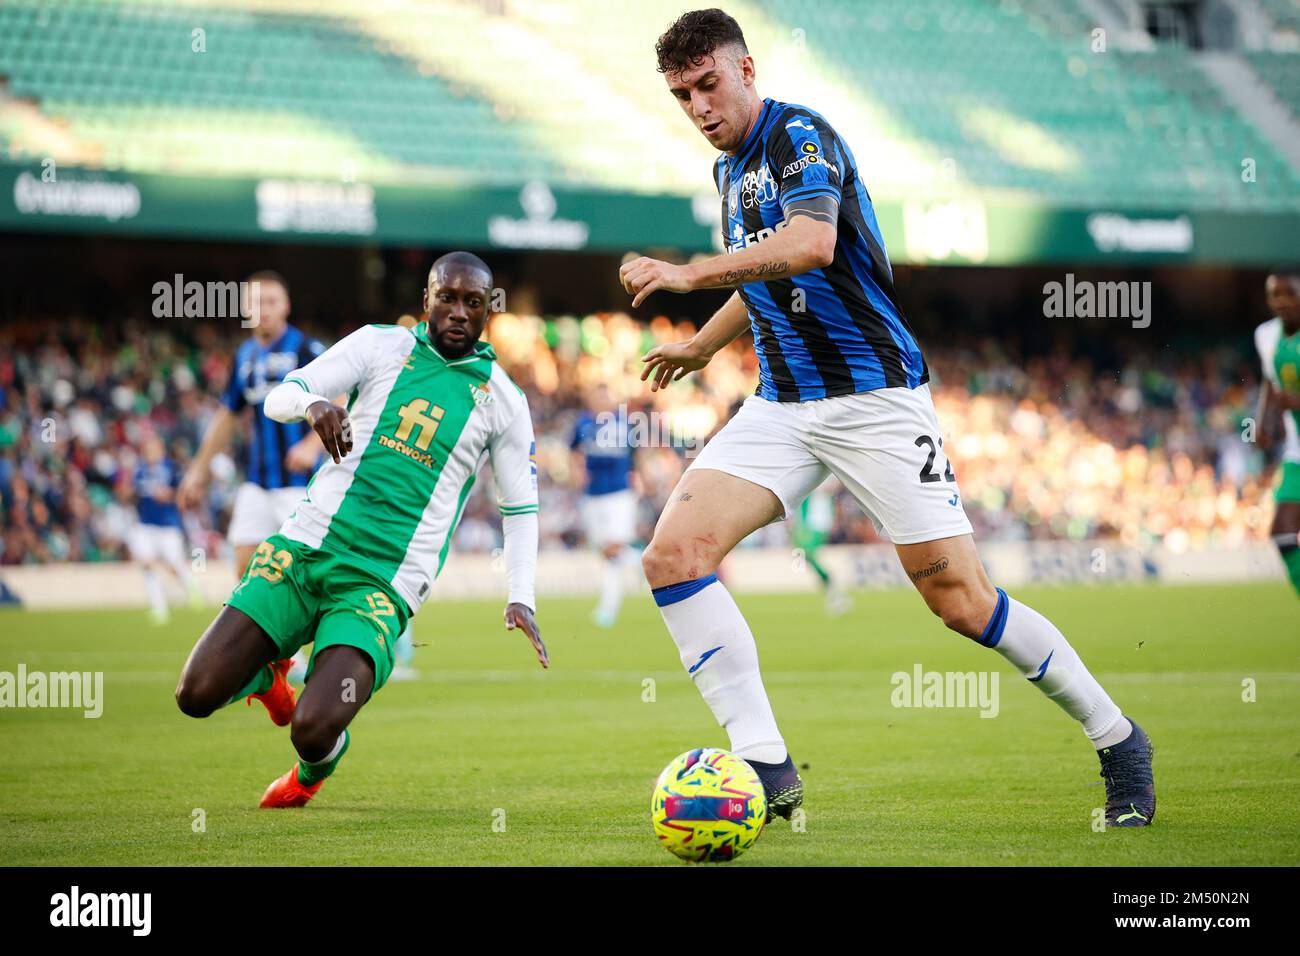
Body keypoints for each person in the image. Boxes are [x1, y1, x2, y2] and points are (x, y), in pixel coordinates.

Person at [622, 8, 1155, 826]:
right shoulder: (729, 174)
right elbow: (763, 278)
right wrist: (702, 346)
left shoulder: (802, 137)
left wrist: (689, 273)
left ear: (747, 70)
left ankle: (1119, 739)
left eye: (708, 84)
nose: (697, 107)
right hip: (784, 405)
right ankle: (767, 768)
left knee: (963, 603)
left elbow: (808, 246)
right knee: (672, 555)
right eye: (681, 94)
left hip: (875, 399)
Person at [174, 252, 546, 808]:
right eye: (447, 297)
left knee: (313, 726)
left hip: (379, 583)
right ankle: (268, 682)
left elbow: (520, 508)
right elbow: (281, 395)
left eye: (474, 302)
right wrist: (314, 404)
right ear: (426, 301)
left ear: (489, 310)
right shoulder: (379, 345)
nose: (459, 312)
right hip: (304, 550)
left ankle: (310, 772)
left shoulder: (504, 401)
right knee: (196, 693)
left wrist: (522, 596)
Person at [177, 271, 327, 577]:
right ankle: (261, 625)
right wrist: (199, 470)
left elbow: (340, 399)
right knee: (245, 565)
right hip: (257, 480)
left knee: (309, 571)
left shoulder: (306, 349)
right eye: (256, 302)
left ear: (286, 306)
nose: (264, 309)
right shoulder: (244, 356)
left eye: (271, 301)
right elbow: (228, 415)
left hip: (301, 482)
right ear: (245, 308)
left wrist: (312, 445)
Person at [570, 384, 642, 627]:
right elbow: (573, 451)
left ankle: (607, 609)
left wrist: (638, 477)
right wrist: (576, 471)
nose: (600, 401)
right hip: (592, 494)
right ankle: (640, 560)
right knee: (603, 551)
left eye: (604, 397)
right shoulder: (583, 424)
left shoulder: (625, 423)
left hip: (619, 493)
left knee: (612, 550)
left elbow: (637, 454)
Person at [1253, 265, 1300, 598]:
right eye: (1275, 294)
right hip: (1297, 452)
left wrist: (1293, 400)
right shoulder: (1266, 335)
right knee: (1282, 531)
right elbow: (1270, 382)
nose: (1281, 300)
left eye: (1289, 293)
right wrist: (1262, 419)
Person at [127, 434, 200, 623]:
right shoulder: (140, 471)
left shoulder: (172, 468)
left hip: (168, 525)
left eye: (154, 448)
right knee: (147, 564)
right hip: (146, 525)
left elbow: (186, 494)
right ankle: (159, 609)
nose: (150, 453)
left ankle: (193, 589)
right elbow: (135, 496)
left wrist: (170, 495)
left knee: (176, 564)